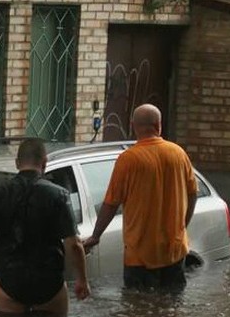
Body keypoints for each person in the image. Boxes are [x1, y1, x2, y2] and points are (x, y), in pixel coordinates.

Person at [0, 137, 90, 314]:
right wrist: (82, 280)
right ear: (44, 162)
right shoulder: (58, 195)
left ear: (17, 163)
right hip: (48, 282)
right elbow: (74, 245)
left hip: (9, 281)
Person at [83, 103, 198, 291]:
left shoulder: (128, 160)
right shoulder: (178, 153)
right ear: (159, 125)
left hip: (140, 256)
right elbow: (193, 194)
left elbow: (111, 203)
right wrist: (182, 225)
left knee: (137, 312)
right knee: (171, 312)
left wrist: (95, 236)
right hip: (174, 252)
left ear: (132, 126)